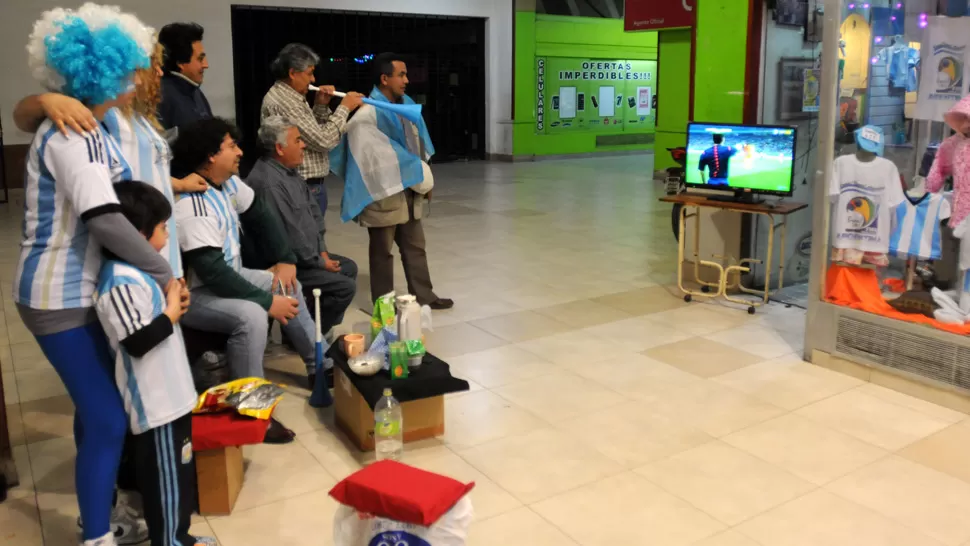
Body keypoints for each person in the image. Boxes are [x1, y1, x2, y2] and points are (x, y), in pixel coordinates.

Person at [16, 5, 176, 545]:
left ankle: (98, 518)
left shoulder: (90, 125)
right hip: (56, 295)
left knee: (96, 413)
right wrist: (162, 273)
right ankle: (96, 538)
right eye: (132, 68)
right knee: (108, 419)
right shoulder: (75, 133)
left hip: (75, 290)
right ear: (106, 71)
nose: (138, 77)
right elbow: (103, 218)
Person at [171, 117, 327, 441]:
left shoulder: (227, 183)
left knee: (287, 283)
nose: (240, 152)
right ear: (211, 155)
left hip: (228, 276)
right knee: (252, 316)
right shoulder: (193, 205)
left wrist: (285, 258)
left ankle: (319, 366)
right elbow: (213, 274)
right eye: (232, 146)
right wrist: (268, 302)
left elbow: (260, 212)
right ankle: (251, 410)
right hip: (195, 295)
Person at [95, 182, 214, 546]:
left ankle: (180, 537)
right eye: (163, 228)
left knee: (177, 479)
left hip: (173, 398)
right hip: (155, 405)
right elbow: (137, 340)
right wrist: (172, 312)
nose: (167, 234)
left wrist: (173, 303)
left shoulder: (142, 274)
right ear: (137, 234)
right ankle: (172, 542)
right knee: (165, 487)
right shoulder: (119, 281)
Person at [246, 115, 358, 337]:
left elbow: (313, 214)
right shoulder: (269, 184)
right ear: (279, 148)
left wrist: (323, 252)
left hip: (306, 256)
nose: (303, 145)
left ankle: (311, 325)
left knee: (349, 268)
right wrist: (318, 262)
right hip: (284, 262)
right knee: (344, 287)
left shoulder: (289, 172)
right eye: (297, 140)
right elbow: (289, 237)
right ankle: (307, 334)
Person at [358, 53, 452, 309]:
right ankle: (384, 305)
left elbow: (420, 141)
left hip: (410, 187)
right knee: (382, 252)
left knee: (415, 246)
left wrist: (425, 177)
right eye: (401, 74)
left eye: (406, 74)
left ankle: (425, 296)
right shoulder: (369, 111)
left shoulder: (406, 104)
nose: (407, 80)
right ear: (384, 78)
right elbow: (368, 155)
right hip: (384, 192)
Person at [260, 43, 363, 216]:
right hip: (303, 185)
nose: (314, 80)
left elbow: (311, 133)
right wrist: (345, 108)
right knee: (309, 239)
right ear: (292, 73)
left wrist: (320, 105)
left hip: (308, 186)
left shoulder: (292, 96)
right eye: (309, 73)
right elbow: (324, 141)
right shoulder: (286, 102)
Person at [158, 22, 211, 130]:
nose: (206, 65)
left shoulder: (195, 92)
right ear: (181, 62)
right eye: (200, 59)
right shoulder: (160, 97)